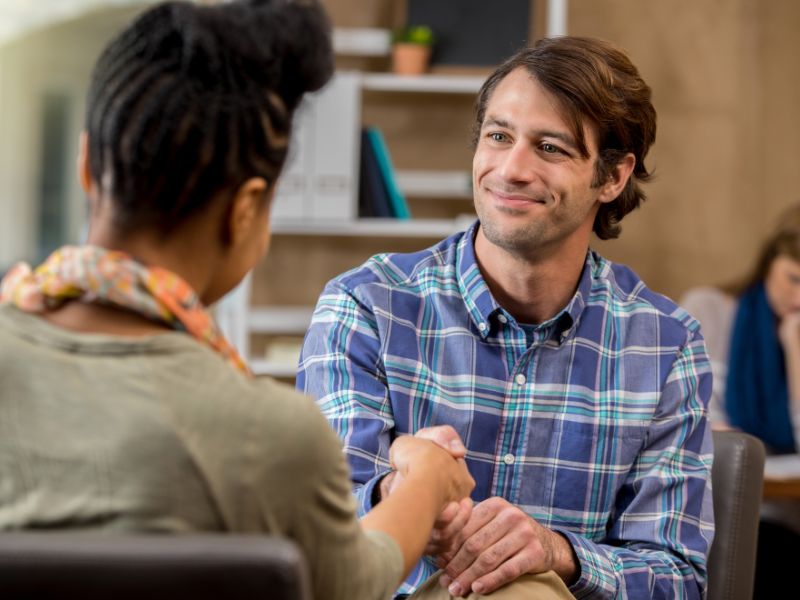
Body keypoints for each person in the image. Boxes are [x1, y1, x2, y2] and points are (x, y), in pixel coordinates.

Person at [0, 2, 475, 599]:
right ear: (245, 208)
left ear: (87, 166)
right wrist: (426, 484)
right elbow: (353, 583)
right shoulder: (268, 436)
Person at [298, 36, 714, 599]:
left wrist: (557, 553)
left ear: (613, 177)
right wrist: (410, 491)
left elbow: (678, 578)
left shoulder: (665, 346)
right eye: (498, 136)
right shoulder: (366, 307)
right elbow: (323, 529)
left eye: (550, 148)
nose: (511, 170)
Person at [681, 204, 800, 599]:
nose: (799, 298)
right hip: (721, 509)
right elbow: (694, 418)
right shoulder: (711, 310)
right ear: (769, 264)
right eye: (793, 279)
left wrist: (795, 351)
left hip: (787, 514)